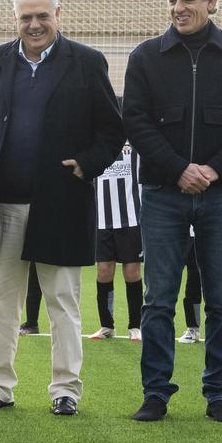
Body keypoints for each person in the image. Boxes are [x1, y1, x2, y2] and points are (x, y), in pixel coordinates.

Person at [0, 0, 123, 417]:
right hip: (6, 206)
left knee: (63, 303)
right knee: (2, 301)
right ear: (15, 19)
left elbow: (112, 129)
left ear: (58, 14)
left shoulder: (87, 63)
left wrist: (87, 164)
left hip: (62, 204)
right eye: (25, 17)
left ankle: (65, 390)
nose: (34, 25)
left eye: (41, 16)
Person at [123, 0, 222, 423]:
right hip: (163, 194)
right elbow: (137, 121)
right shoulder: (146, 57)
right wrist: (178, 169)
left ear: (211, 2)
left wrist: (214, 169)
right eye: (171, 0)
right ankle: (156, 393)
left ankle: (219, 393)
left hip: (221, 194)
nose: (177, 8)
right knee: (158, 297)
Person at [89, 141, 144, 341]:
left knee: (132, 271)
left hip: (131, 218)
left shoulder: (136, 141)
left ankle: (135, 326)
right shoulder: (97, 140)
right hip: (102, 218)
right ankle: (106, 325)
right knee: (103, 270)